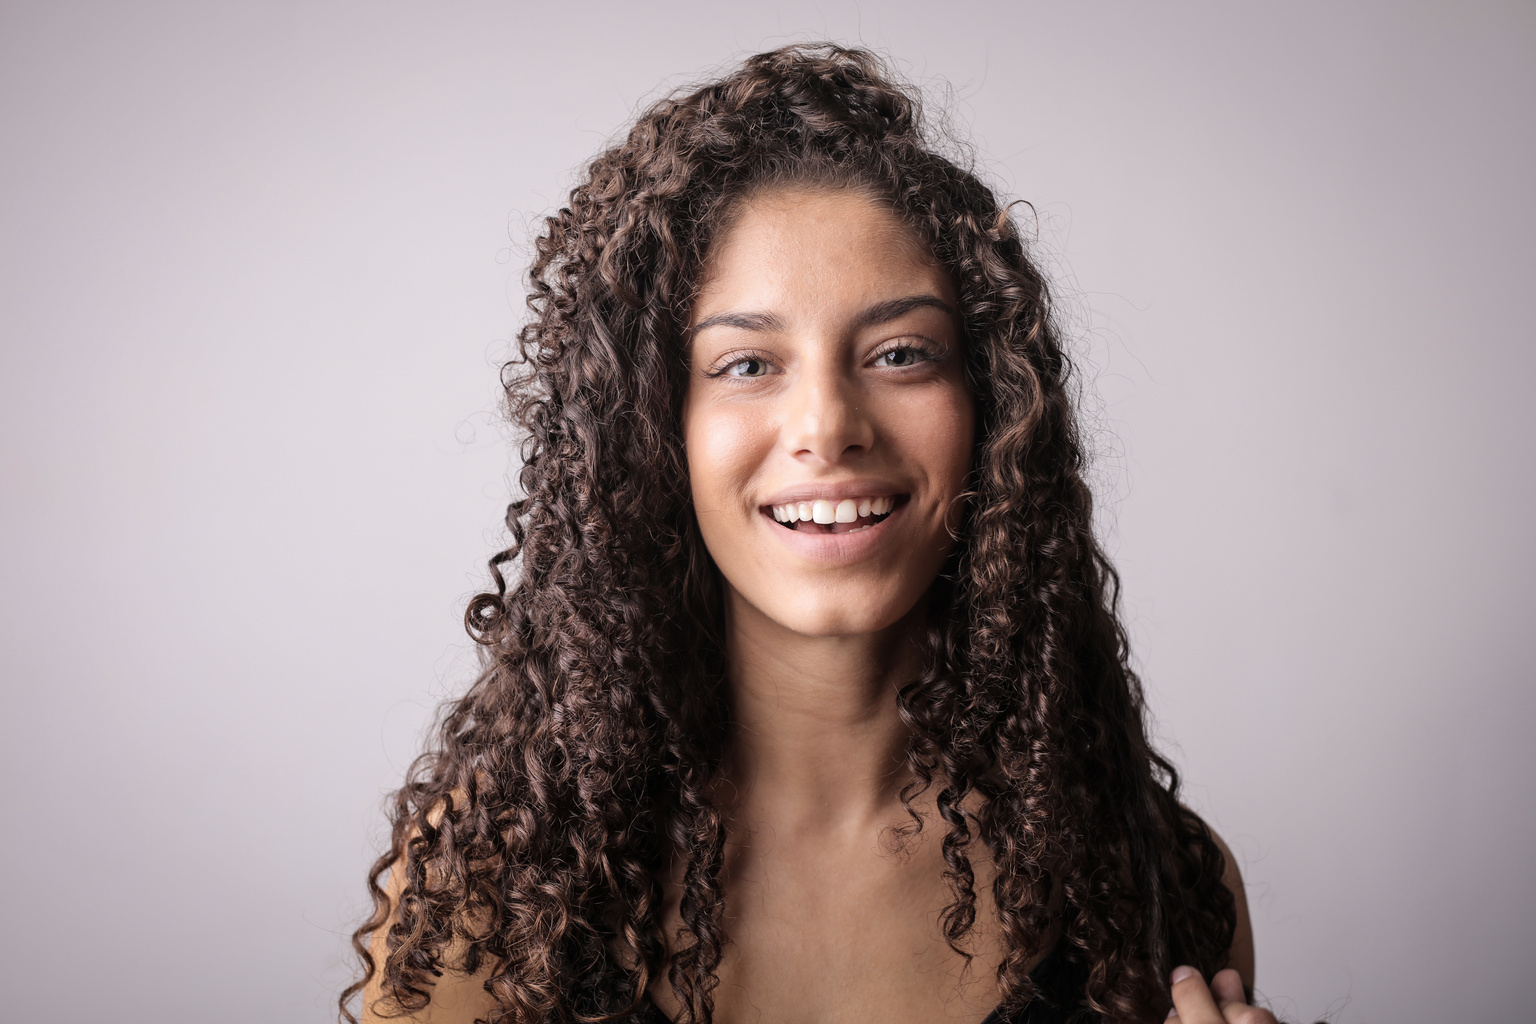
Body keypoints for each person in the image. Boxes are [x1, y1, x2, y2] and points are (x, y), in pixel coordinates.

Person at [344, 44, 1275, 1024]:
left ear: (992, 409)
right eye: (748, 364)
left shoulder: (1156, 880)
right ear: (656, 430)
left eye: (901, 353)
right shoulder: (493, 886)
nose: (829, 424)